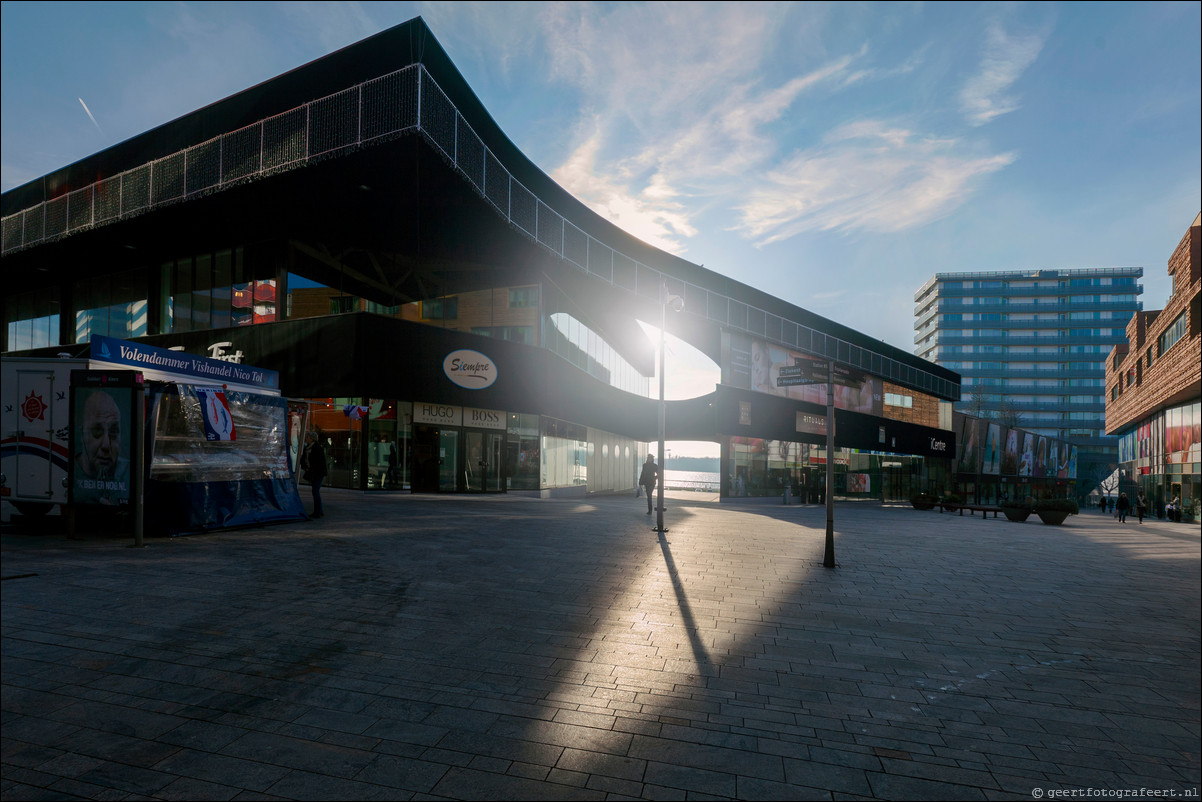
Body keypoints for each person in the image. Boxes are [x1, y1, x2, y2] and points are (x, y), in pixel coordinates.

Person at [74, 389, 131, 506]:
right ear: (82, 434)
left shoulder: (129, 473)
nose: (106, 445)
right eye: (97, 431)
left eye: (113, 432)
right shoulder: (70, 472)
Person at [301, 431, 328, 518]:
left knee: (315, 491)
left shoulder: (317, 448)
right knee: (315, 491)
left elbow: (320, 462)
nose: (306, 438)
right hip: (313, 471)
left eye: (308, 437)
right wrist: (305, 466)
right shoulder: (307, 448)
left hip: (318, 472)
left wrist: (311, 466)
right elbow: (303, 459)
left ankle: (318, 511)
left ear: (312, 438)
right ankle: (319, 510)